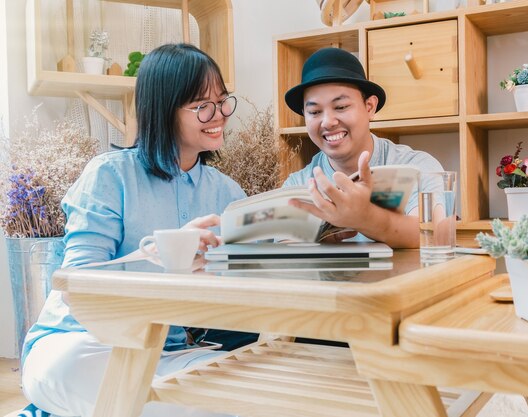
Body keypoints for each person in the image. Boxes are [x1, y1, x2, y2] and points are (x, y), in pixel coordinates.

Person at [20, 43, 253, 417]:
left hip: (167, 353)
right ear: (163, 110)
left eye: (223, 101)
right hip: (80, 345)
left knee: (246, 401)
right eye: (202, 106)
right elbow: (77, 283)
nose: (219, 115)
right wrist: (164, 258)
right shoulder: (110, 175)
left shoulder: (228, 193)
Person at [283, 47, 444, 248]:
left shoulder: (417, 167)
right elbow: (286, 253)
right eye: (315, 111)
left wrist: (364, 218)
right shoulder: (297, 185)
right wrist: (321, 239)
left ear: (370, 107)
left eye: (341, 107)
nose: (327, 122)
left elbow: (432, 234)